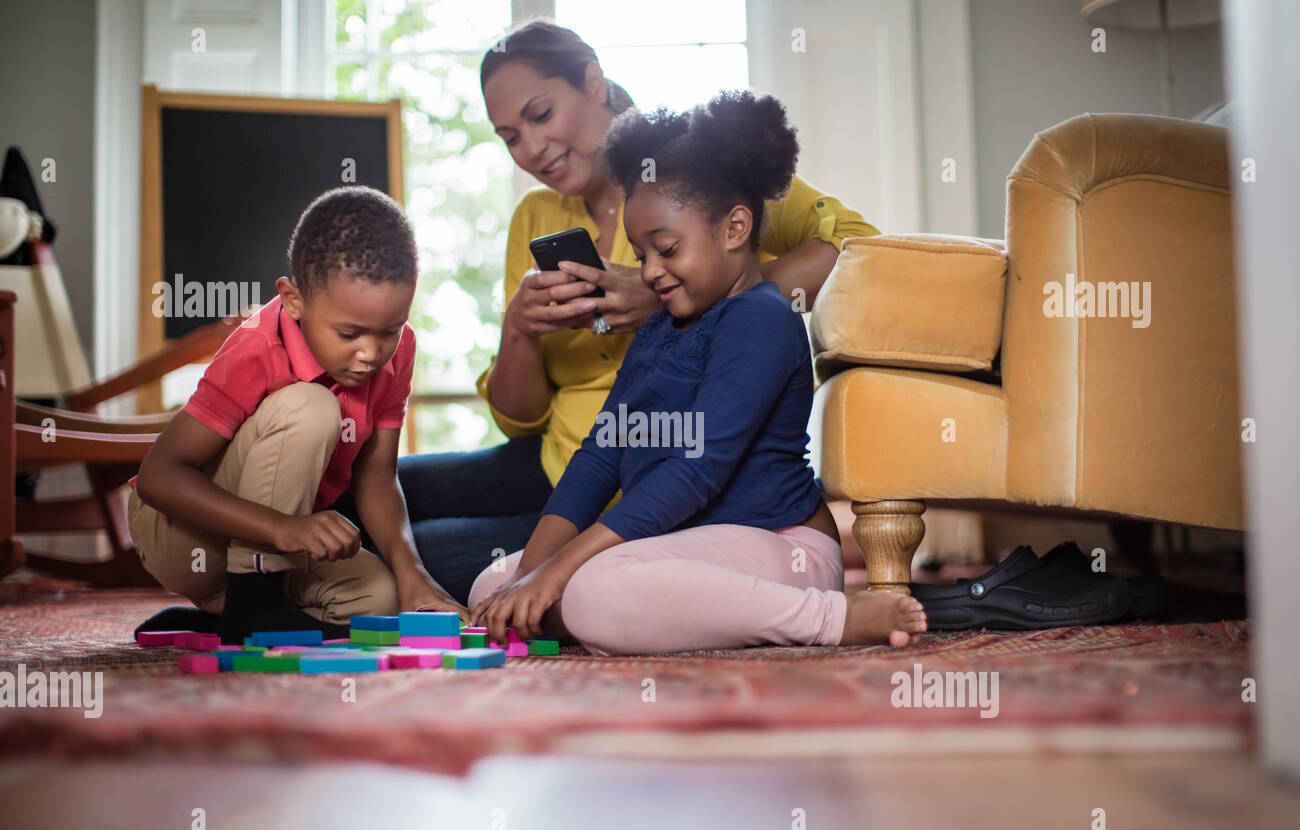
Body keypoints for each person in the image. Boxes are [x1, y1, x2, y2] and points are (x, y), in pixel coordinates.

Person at [396, 20, 881, 603]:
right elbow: (524, 422)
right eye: (509, 136)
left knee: (414, 555)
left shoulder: (698, 173)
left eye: (541, 114)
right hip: (562, 459)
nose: (530, 148)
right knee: (370, 501)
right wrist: (518, 330)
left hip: (656, 484)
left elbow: (862, 250)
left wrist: (685, 305)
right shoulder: (536, 215)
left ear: (594, 82)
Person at [467, 91, 928, 656]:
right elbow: (600, 456)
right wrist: (530, 575)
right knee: (492, 583)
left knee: (587, 590)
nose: (651, 272)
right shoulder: (658, 330)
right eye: (641, 255)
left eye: (666, 249)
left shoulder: (762, 319)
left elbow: (698, 469)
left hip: (781, 548)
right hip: (690, 545)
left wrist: (560, 573)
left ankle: (831, 617)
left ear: (735, 228)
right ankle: (629, 610)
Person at [128, 186, 466, 643]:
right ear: (293, 300)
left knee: (377, 599)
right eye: (349, 332)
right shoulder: (258, 347)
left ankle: (234, 617)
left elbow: (378, 476)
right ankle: (252, 604)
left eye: (389, 330)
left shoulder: (397, 351)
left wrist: (413, 574)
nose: (371, 353)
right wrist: (282, 528)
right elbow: (159, 477)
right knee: (309, 405)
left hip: (280, 542)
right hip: (184, 537)